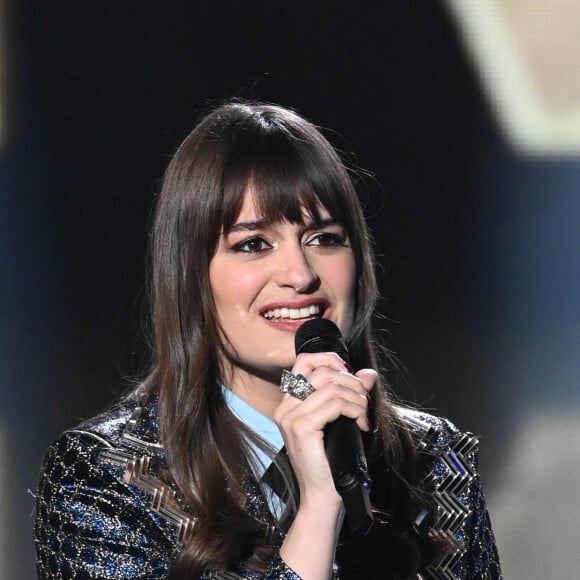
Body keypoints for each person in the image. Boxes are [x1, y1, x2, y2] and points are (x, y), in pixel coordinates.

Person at [34, 102, 501, 579]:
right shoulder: (107, 477)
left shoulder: (434, 462)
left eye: (323, 238)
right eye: (253, 244)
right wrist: (320, 509)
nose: (300, 275)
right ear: (190, 274)